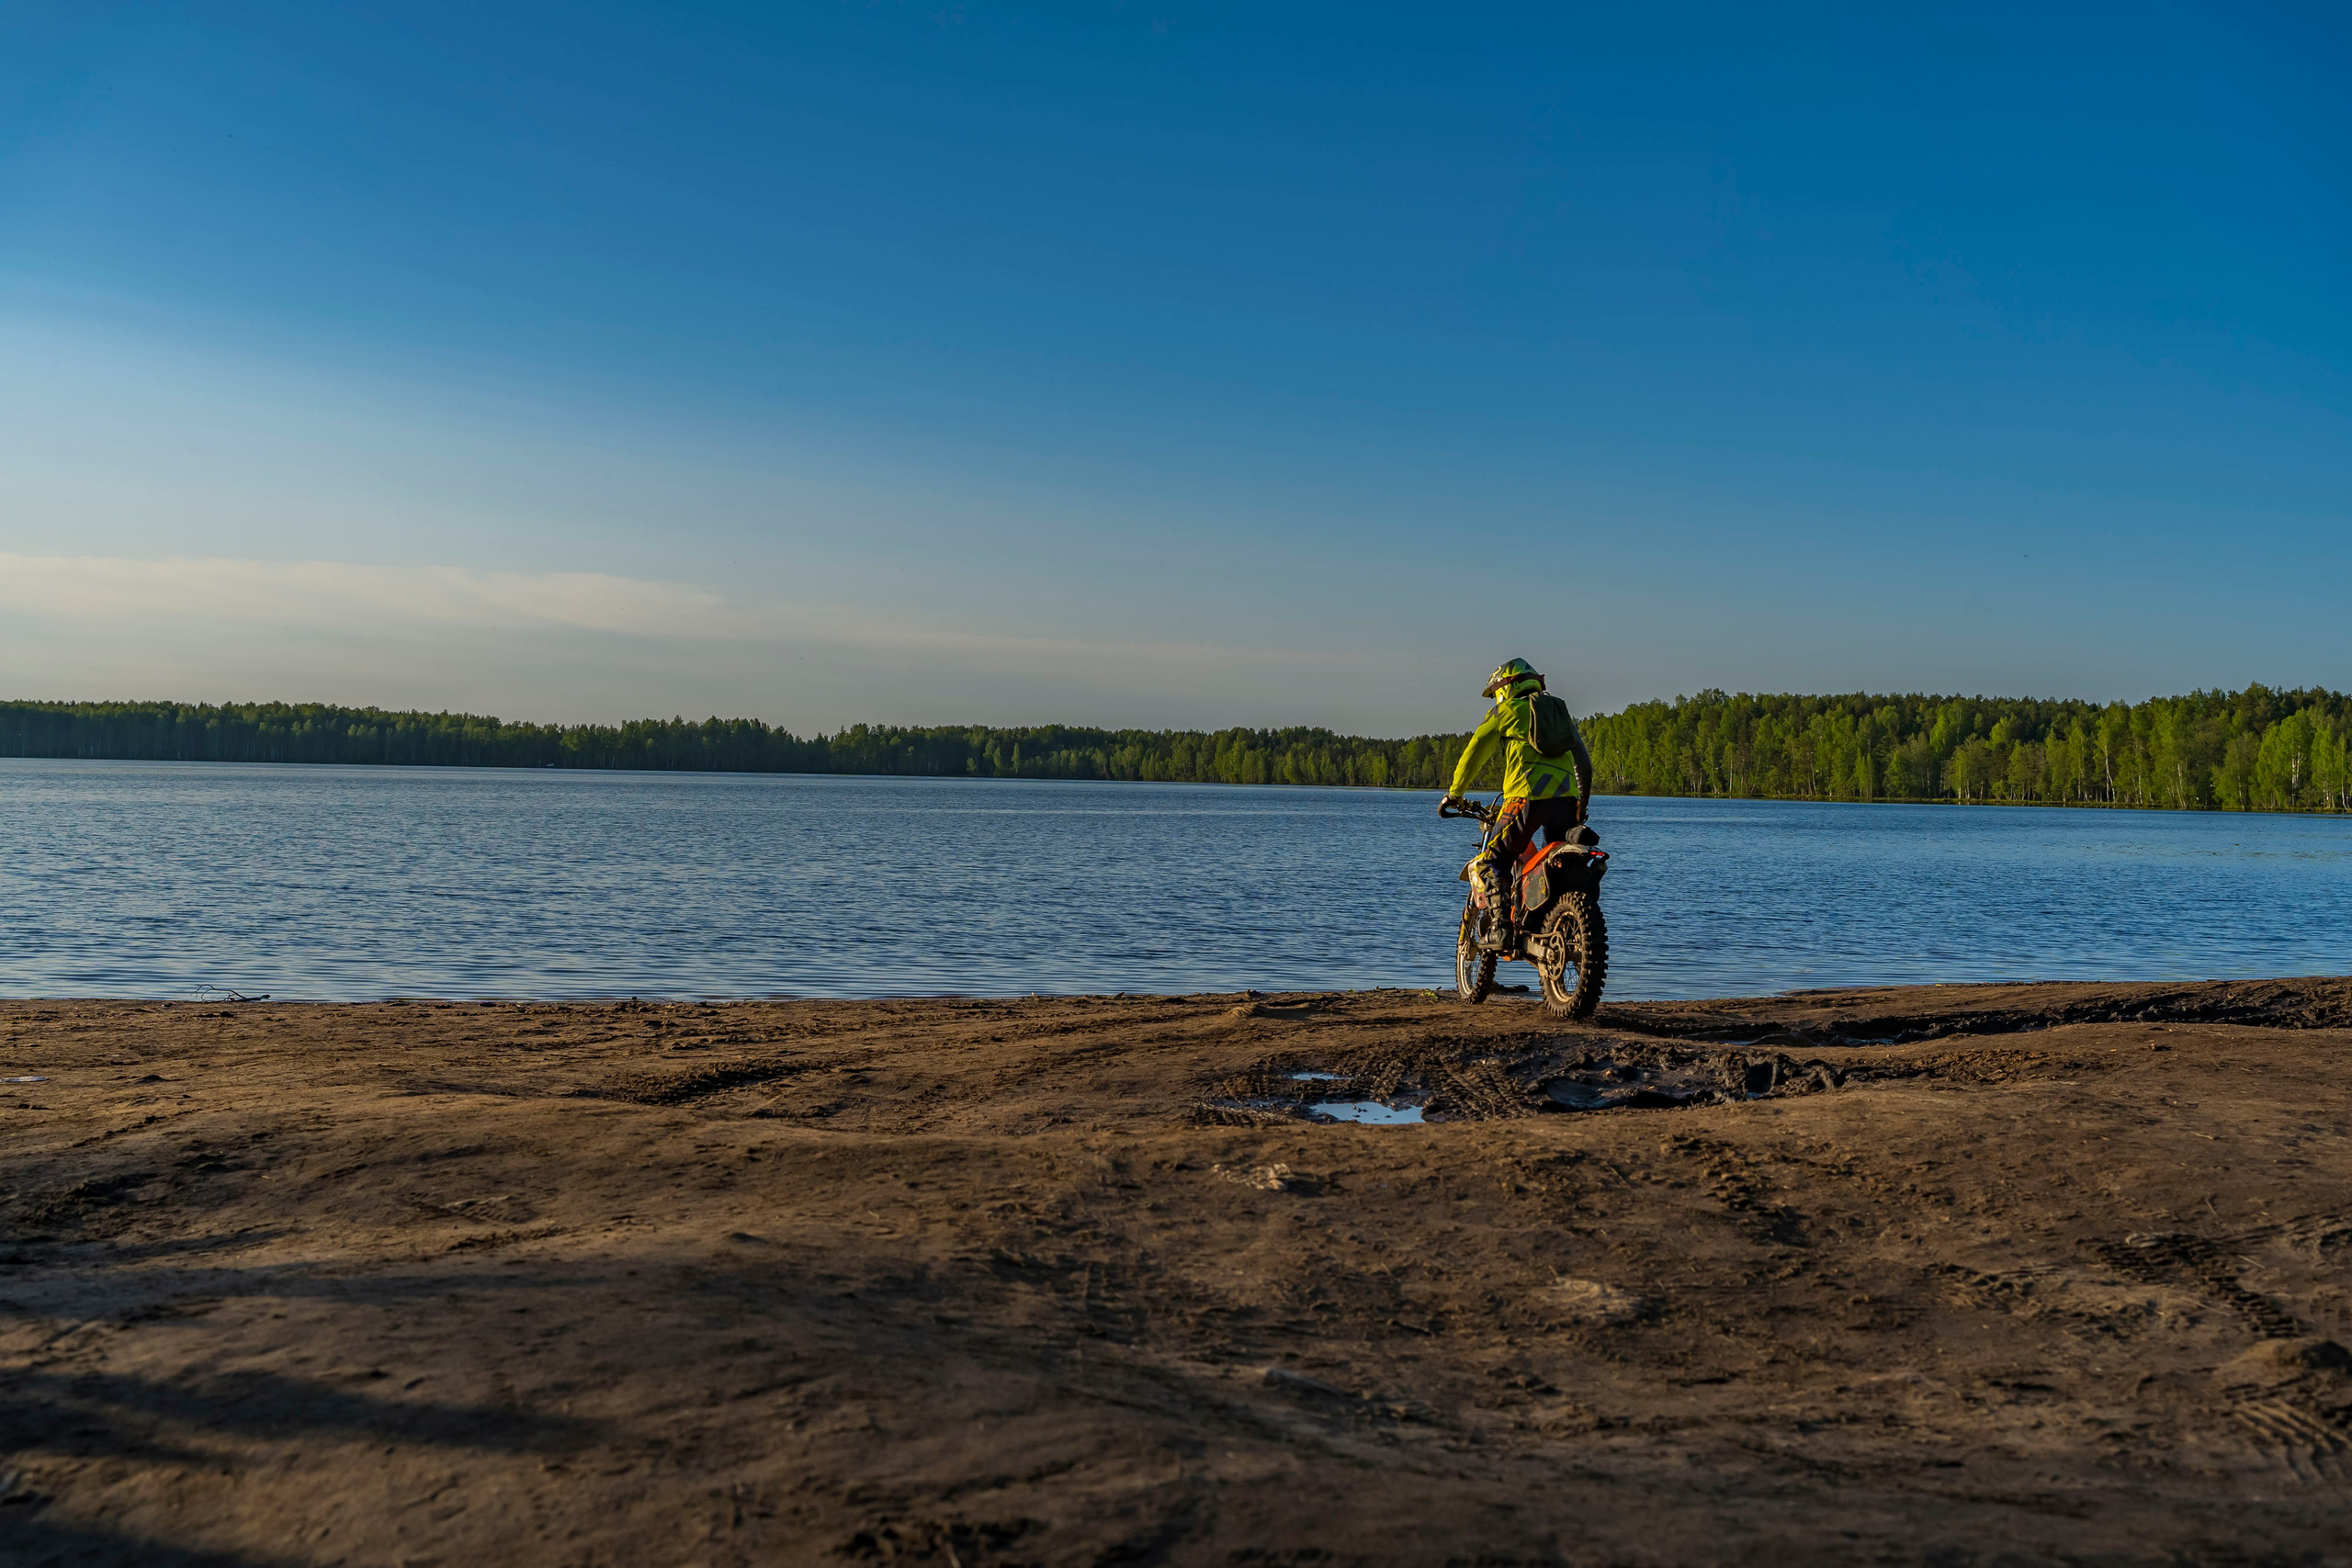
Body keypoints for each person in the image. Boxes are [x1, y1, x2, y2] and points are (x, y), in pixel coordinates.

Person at [1441, 658, 1594, 949]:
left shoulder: (1506, 711)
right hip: (1567, 803)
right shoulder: (1558, 711)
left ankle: (1501, 929)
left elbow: (1474, 753)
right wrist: (1580, 808)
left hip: (1525, 800)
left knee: (1493, 859)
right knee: (1558, 863)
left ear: (1506, 687)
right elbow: (1584, 766)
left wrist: (1455, 794)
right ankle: (1554, 924)